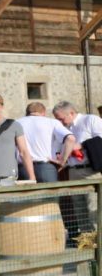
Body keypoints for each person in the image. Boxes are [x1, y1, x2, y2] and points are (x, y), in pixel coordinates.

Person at [51, 101, 102, 240]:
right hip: (73, 171)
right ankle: (88, 243)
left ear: (71, 113)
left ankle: (100, 246)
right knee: (79, 209)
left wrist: (82, 145)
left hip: (90, 171)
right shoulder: (64, 128)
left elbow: (101, 138)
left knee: (93, 207)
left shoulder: (91, 120)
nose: (59, 122)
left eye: (61, 118)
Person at [17, 102, 74, 183]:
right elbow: (70, 138)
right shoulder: (52, 122)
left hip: (23, 168)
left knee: (28, 195)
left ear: (27, 113)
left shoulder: (16, 123)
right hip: (46, 168)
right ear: (43, 113)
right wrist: (62, 161)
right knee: (50, 195)